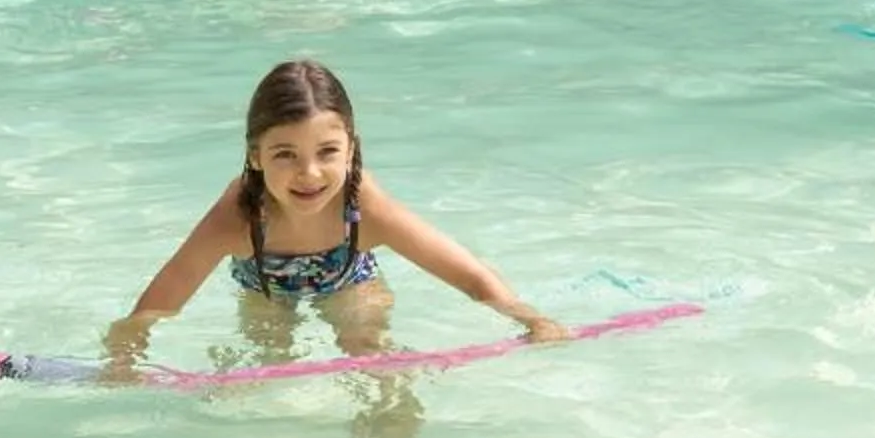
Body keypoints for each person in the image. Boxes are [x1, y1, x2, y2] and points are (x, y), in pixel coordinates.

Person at [104, 59, 570, 378]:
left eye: (328, 152)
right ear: (256, 155)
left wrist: (532, 320)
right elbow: (162, 300)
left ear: (351, 147)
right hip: (265, 290)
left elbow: (468, 275)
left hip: (350, 281)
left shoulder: (361, 204)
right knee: (260, 366)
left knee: (373, 354)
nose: (309, 174)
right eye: (285, 154)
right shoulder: (240, 213)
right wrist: (124, 358)